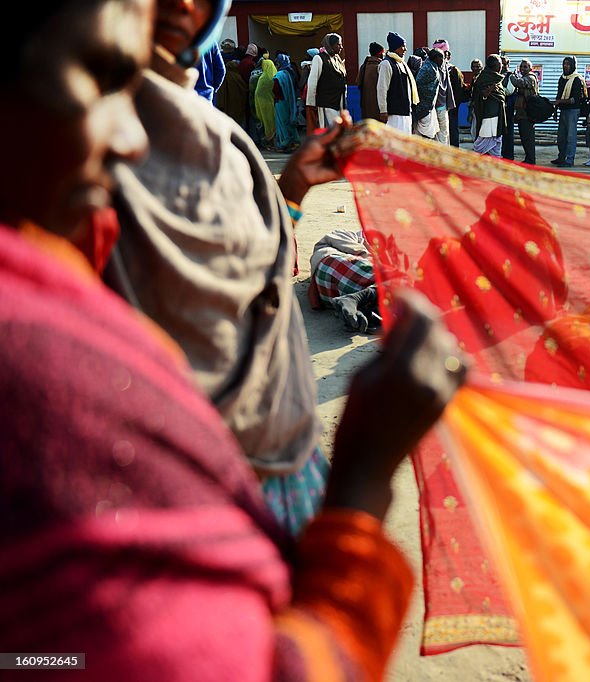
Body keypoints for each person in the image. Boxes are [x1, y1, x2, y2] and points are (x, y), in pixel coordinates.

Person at [1, 1, 468, 678]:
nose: (130, 137)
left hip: (278, 464)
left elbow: (237, 275)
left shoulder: (194, 131)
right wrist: (365, 477)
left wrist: (291, 189)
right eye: (101, 75)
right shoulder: (54, 389)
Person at [109, 0, 348, 534]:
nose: (180, 3)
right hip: (180, 489)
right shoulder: (82, 138)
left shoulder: (220, 133)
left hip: (284, 452)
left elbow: (264, 276)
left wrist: (293, 187)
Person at [378, 32, 418, 134]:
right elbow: (382, 89)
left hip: (405, 111)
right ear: (395, 47)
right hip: (394, 114)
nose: (405, 49)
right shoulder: (386, 64)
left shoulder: (401, 63)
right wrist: (383, 110)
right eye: (403, 46)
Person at [306, 33, 347, 130]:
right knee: (329, 132)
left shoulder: (337, 58)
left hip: (338, 102)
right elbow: (312, 82)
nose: (341, 47)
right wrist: (311, 105)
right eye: (338, 44)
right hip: (326, 103)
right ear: (330, 45)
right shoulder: (319, 58)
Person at [553, 56, 585, 168]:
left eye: (568, 64)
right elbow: (559, 94)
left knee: (571, 137)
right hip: (563, 110)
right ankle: (561, 157)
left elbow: (574, 100)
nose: (565, 66)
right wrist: (556, 110)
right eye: (564, 63)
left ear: (573, 65)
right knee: (561, 136)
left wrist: (559, 102)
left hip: (572, 111)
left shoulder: (576, 79)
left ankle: (569, 159)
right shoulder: (562, 78)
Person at [471, 54, 506, 157]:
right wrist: (488, 91)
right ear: (494, 65)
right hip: (488, 116)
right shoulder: (484, 78)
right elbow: (479, 96)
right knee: (483, 141)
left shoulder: (497, 78)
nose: (501, 67)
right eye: (499, 64)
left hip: (497, 114)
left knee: (496, 142)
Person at [510, 58, 540, 164]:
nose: (522, 69)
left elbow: (518, 83)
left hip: (528, 114)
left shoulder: (530, 78)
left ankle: (531, 160)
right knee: (524, 138)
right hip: (522, 113)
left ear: (530, 68)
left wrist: (511, 76)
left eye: (525, 67)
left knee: (528, 138)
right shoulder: (525, 77)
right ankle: (528, 158)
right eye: (521, 67)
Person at [413, 49, 444, 140]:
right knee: (426, 135)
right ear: (436, 58)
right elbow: (417, 84)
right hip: (424, 107)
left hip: (429, 107)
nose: (442, 60)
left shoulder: (433, 66)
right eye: (441, 58)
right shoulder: (428, 68)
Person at [273, 54, 301, 151]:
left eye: (277, 63)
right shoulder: (290, 72)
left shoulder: (279, 75)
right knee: (289, 121)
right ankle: (294, 141)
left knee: (282, 123)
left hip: (280, 102)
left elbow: (275, 89)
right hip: (289, 100)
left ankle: (285, 142)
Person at [431, 39, 455, 145]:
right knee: (441, 136)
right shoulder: (433, 66)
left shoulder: (443, 66)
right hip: (437, 107)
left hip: (440, 106)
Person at [356, 42, 385, 124]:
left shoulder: (365, 66)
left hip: (365, 105)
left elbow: (358, 82)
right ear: (379, 54)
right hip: (377, 106)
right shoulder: (379, 67)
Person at [215, 59, 248, 128]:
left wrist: (220, 106)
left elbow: (221, 94)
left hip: (228, 107)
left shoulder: (225, 77)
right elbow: (245, 90)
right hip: (238, 106)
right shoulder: (239, 77)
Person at [254, 57, 278, 149]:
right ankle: (271, 142)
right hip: (271, 103)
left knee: (266, 123)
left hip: (261, 105)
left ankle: (268, 142)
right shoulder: (274, 76)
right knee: (272, 122)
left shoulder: (262, 78)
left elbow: (257, 92)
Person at [500, 56, 516, 160]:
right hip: (500, 108)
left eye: (505, 64)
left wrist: (497, 88)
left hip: (508, 109)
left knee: (508, 132)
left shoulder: (511, 76)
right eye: (502, 64)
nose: (503, 66)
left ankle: (508, 156)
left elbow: (509, 91)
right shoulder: (497, 75)